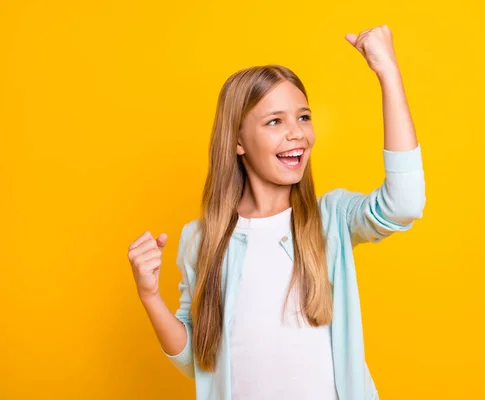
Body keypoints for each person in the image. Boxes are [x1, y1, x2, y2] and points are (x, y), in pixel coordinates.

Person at [127, 24, 426, 400]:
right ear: (237, 140)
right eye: (275, 121)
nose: (297, 133)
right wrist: (150, 295)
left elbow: (404, 205)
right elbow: (197, 359)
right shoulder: (201, 239)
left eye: (303, 117)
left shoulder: (329, 220)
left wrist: (388, 75)